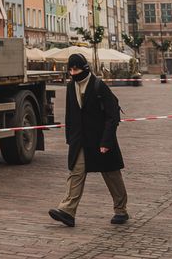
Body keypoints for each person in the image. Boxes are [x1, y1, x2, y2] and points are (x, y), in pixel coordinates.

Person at [49, 53, 128, 228]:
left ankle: (121, 209)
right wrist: (70, 138)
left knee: (111, 174)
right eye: (69, 69)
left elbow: (112, 115)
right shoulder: (71, 87)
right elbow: (71, 114)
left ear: (84, 68)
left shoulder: (99, 86)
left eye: (75, 69)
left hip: (101, 139)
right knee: (76, 172)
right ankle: (67, 211)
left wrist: (106, 142)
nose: (72, 73)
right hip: (80, 140)